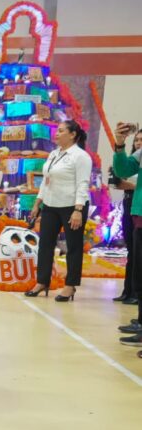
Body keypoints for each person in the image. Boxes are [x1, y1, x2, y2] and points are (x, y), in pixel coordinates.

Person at [26, 120, 92, 302]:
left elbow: (83, 184)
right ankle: (42, 281)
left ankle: (70, 285)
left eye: (61, 131)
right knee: (45, 244)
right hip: (50, 205)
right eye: (57, 131)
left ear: (72, 135)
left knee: (73, 246)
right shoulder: (54, 154)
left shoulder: (81, 156)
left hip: (72, 206)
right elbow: (46, 180)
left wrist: (78, 210)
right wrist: (37, 203)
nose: (56, 134)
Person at [112, 121, 142, 348]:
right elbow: (123, 170)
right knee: (139, 274)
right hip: (139, 216)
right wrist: (120, 144)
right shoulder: (140, 154)